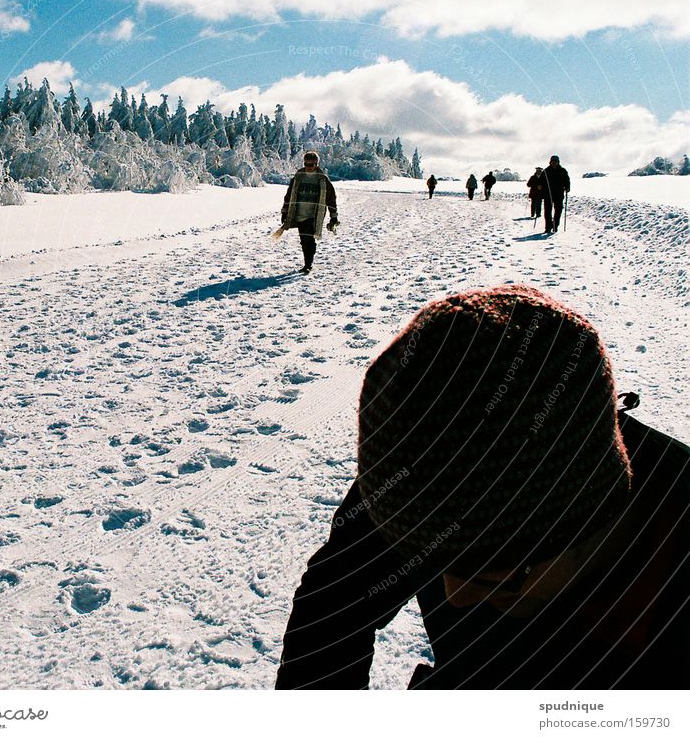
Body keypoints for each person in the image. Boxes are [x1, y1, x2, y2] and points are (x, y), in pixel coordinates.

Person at [276, 284, 690, 689]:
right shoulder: (428, 474)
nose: (453, 596)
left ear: (594, 512)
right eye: (434, 563)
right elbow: (334, 606)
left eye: (495, 575)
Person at [280, 151, 338, 274]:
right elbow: (289, 195)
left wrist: (333, 216)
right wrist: (284, 212)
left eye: (311, 165)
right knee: (304, 240)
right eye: (306, 164)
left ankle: (308, 264)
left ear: (316, 164)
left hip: (313, 215)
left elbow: (331, 198)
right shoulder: (298, 176)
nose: (308, 167)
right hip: (299, 214)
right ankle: (308, 262)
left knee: (309, 239)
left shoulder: (322, 179)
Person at [542, 154, 570, 233]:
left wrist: (567, 187)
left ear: (558, 162)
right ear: (550, 162)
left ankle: (555, 225)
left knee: (558, 210)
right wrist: (540, 186)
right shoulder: (546, 171)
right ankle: (548, 227)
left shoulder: (563, 171)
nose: (554, 163)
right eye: (552, 162)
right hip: (548, 194)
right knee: (547, 211)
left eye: (555, 162)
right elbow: (541, 181)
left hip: (559, 194)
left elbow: (567, 180)